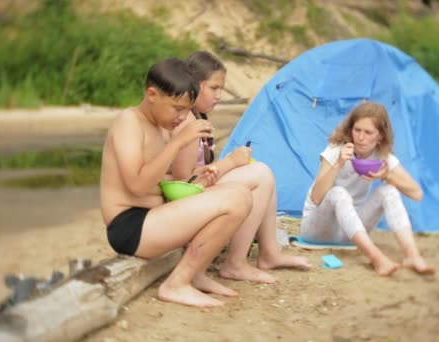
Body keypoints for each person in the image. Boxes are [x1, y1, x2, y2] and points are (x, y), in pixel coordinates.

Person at [100, 58, 254, 308]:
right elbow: (137, 186)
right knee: (236, 199)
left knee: (239, 191)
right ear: (152, 94)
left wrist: (200, 179)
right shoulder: (128, 122)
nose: (183, 117)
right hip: (130, 227)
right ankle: (176, 284)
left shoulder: (160, 127)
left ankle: (196, 274)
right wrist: (177, 143)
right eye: (176, 108)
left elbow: (161, 179)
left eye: (187, 109)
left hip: (155, 217)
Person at [170, 51, 312, 284]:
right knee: (261, 174)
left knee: (265, 173)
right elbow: (184, 181)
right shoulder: (187, 122)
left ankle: (269, 253)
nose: (219, 95)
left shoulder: (199, 116)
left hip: (199, 191)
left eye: (221, 89)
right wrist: (231, 162)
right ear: (195, 85)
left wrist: (230, 165)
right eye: (214, 88)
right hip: (186, 201)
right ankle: (235, 263)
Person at [300, 102, 435, 276]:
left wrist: (386, 176)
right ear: (350, 130)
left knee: (389, 190)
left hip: (351, 231)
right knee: (339, 193)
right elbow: (316, 198)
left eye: (368, 132)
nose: (361, 137)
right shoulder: (336, 150)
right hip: (317, 229)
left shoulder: (382, 156)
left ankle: (412, 256)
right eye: (357, 130)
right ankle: (377, 258)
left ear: (380, 136)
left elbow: (417, 193)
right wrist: (339, 163)